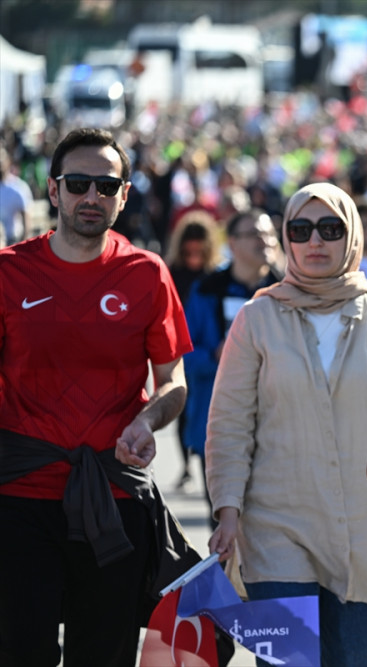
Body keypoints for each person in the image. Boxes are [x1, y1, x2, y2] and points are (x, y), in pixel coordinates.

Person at [0, 128, 193, 665]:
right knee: (20, 651)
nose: (92, 197)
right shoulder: (8, 271)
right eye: (79, 183)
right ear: (54, 190)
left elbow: (173, 382)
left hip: (114, 498)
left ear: (124, 194)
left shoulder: (146, 273)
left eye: (105, 186)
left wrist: (148, 421)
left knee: (104, 655)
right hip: (20, 497)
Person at [206, 183, 367, 667]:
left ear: (352, 236)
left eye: (330, 228)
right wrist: (227, 509)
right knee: (288, 664)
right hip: (275, 529)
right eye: (301, 229)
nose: (315, 241)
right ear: (287, 238)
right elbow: (230, 422)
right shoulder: (257, 318)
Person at [182, 207, 283, 515]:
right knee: (224, 526)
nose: (264, 241)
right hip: (217, 423)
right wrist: (217, 355)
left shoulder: (289, 291)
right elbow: (182, 354)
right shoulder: (206, 290)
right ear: (233, 243)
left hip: (277, 428)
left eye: (269, 234)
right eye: (254, 233)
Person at [164, 210, 223, 491]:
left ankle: (200, 461)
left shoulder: (215, 277)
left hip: (206, 353)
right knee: (181, 409)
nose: (194, 256)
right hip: (178, 350)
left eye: (199, 251)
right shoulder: (172, 272)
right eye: (189, 251)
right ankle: (186, 464)